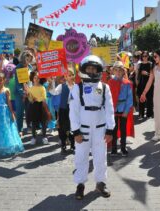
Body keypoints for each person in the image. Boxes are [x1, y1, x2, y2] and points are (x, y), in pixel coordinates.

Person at [69, 55, 115, 200]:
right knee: (81, 157)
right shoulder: (77, 87)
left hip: (100, 129)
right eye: (88, 68)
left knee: (101, 157)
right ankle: (80, 184)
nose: (91, 71)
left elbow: (109, 109)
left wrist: (110, 129)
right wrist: (75, 131)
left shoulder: (105, 87)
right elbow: (73, 111)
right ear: (83, 70)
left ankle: (100, 183)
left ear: (98, 70)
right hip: (83, 129)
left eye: (94, 68)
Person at [0, 73, 24, 156]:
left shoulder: (6, 90)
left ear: (4, 80)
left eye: (0, 80)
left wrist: (12, 113)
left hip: (4, 111)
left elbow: (9, 102)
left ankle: (8, 145)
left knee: (6, 128)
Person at [140, 48, 160, 141]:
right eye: (154, 56)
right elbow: (149, 81)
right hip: (156, 93)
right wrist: (144, 93)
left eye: (156, 56)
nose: (154, 58)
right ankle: (157, 133)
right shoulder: (154, 68)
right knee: (157, 113)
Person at [108, 61, 133, 156]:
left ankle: (123, 148)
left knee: (123, 130)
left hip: (123, 109)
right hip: (113, 109)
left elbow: (129, 98)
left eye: (120, 70)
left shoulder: (127, 83)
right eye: (116, 70)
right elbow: (108, 97)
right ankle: (114, 149)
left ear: (123, 72)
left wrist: (126, 111)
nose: (118, 72)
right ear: (113, 71)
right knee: (113, 130)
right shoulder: (110, 82)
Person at [48, 68, 75, 154]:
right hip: (63, 109)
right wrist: (51, 81)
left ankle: (73, 144)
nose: (69, 77)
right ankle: (63, 144)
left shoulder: (76, 86)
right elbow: (53, 92)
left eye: (71, 75)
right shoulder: (62, 86)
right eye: (67, 75)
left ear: (73, 76)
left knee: (72, 127)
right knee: (62, 128)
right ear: (65, 77)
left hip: (73, 109)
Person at [25, 71, 49, 145]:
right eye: (35, 78)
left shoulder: (42, 87)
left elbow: (44, 97)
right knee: (34, 123)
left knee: (43, 122)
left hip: (41, 106)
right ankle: (33, 137)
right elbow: (30, 99)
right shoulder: (30, 88)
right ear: (32, 79)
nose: (36, 79)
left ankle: (44, 136)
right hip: (33, 107)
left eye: (38, 78)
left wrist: (37, 99)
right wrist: (29, 96)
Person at [14, 50, 33, 136]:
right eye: (27, 57)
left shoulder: (30, 67)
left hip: (29, 92)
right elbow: (18, 83)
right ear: (23, 58)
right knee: (20, 112)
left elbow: (31, 80)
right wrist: (23, 93)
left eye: (30, 58)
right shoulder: (18, 67)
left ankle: (29, 127)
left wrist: (30, 91)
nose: (28, 59)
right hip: (19, 94)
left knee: (29, 111)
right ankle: (19, 129)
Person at [137, 51, 154, 119]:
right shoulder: (139, 64)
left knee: (149, 99)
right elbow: (138, 75)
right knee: (141, 98)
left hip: (149, 84)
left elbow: (153, 76)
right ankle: (141, 113)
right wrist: (137, 83)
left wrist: (147, 74)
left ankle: (149, 114)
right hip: (141, 83)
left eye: (146, 56)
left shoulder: (151, 64)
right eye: (143, 56)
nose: (144, 57)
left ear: (148, 56)